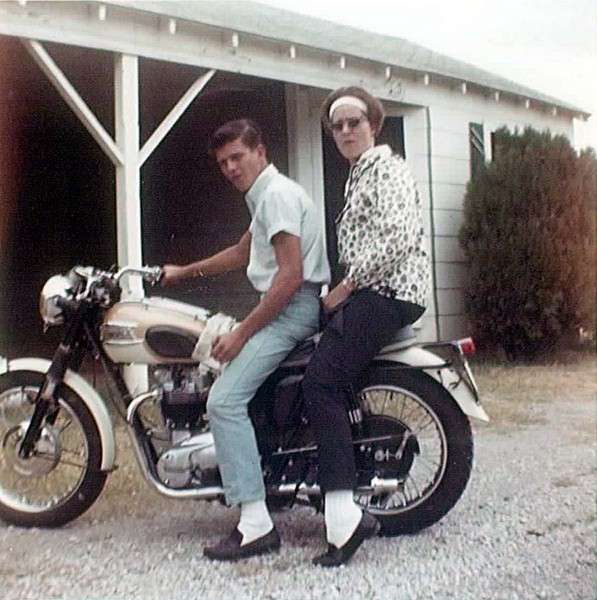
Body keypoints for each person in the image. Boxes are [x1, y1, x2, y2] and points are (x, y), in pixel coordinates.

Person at [162, 118, 330, 561]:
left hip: (290, 311)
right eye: (223, 163)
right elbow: (242, 252)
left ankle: (255, 525)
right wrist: (184, 272)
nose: (231, 168)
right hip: (289, 307)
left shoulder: (275, 196)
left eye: (237, 157)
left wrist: (241, 333)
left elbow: (289, 276)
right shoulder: (266, 195)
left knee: (223, 401)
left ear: (260, 151)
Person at [302, 87, 431, 567]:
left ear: (373, 125)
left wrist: (345, 287)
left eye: (354, 122)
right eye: (337, 126)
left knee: (321, 383)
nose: (345, 131)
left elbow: (398, 238)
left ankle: (343, 520)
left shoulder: (386, 170)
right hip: (375, 291)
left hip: (387, 292)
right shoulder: (360, 173)